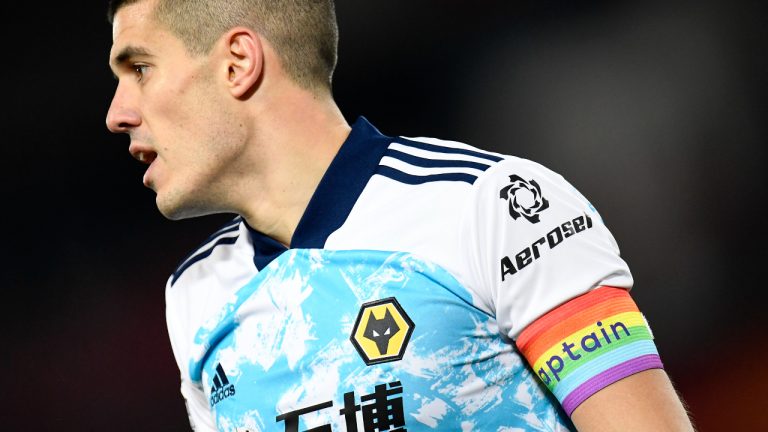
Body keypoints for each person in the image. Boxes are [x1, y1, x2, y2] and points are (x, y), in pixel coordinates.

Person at [106, 1, 695, 431]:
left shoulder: (492, 206)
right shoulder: (195, 298)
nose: (117, 113)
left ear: (238, 63)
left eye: (139, 68)